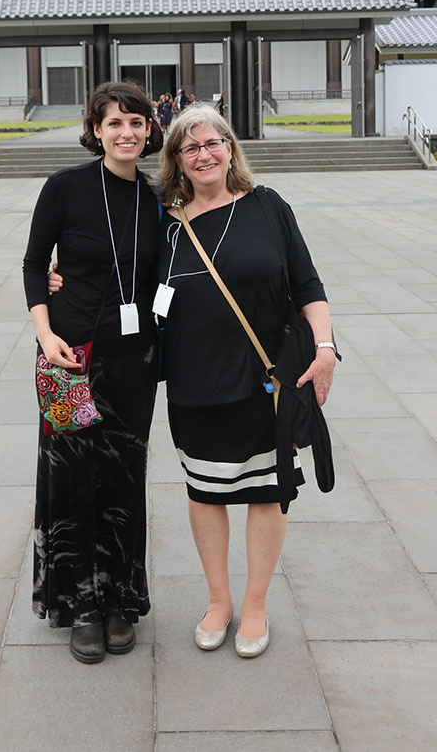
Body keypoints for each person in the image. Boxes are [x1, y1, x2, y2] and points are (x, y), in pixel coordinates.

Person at [155, 104, 335, 658]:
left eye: (214, 143)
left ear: (231, 148)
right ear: (178, 161)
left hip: (267, 378)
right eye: (191, 148)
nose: (204, 154)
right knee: (205, 492)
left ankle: (254, 603)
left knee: (267, 490)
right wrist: (56, 275)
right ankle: (219, 600)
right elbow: (114, 271)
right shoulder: (164, 222)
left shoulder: (267, 206)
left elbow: (307, 283)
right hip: (193, 380)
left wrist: (325, 349)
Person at [22, 81, 164, 664]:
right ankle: (79, 604)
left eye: (136, 122)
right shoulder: (66, 188)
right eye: (114, 123)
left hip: (135, 361)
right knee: (71, 477)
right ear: (95, 130)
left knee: (125, 478)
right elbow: (35, 262)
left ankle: (122, 599)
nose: (126, 132)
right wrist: (45, 333)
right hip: (68, 359)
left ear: (150, 130)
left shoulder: (158, 198)